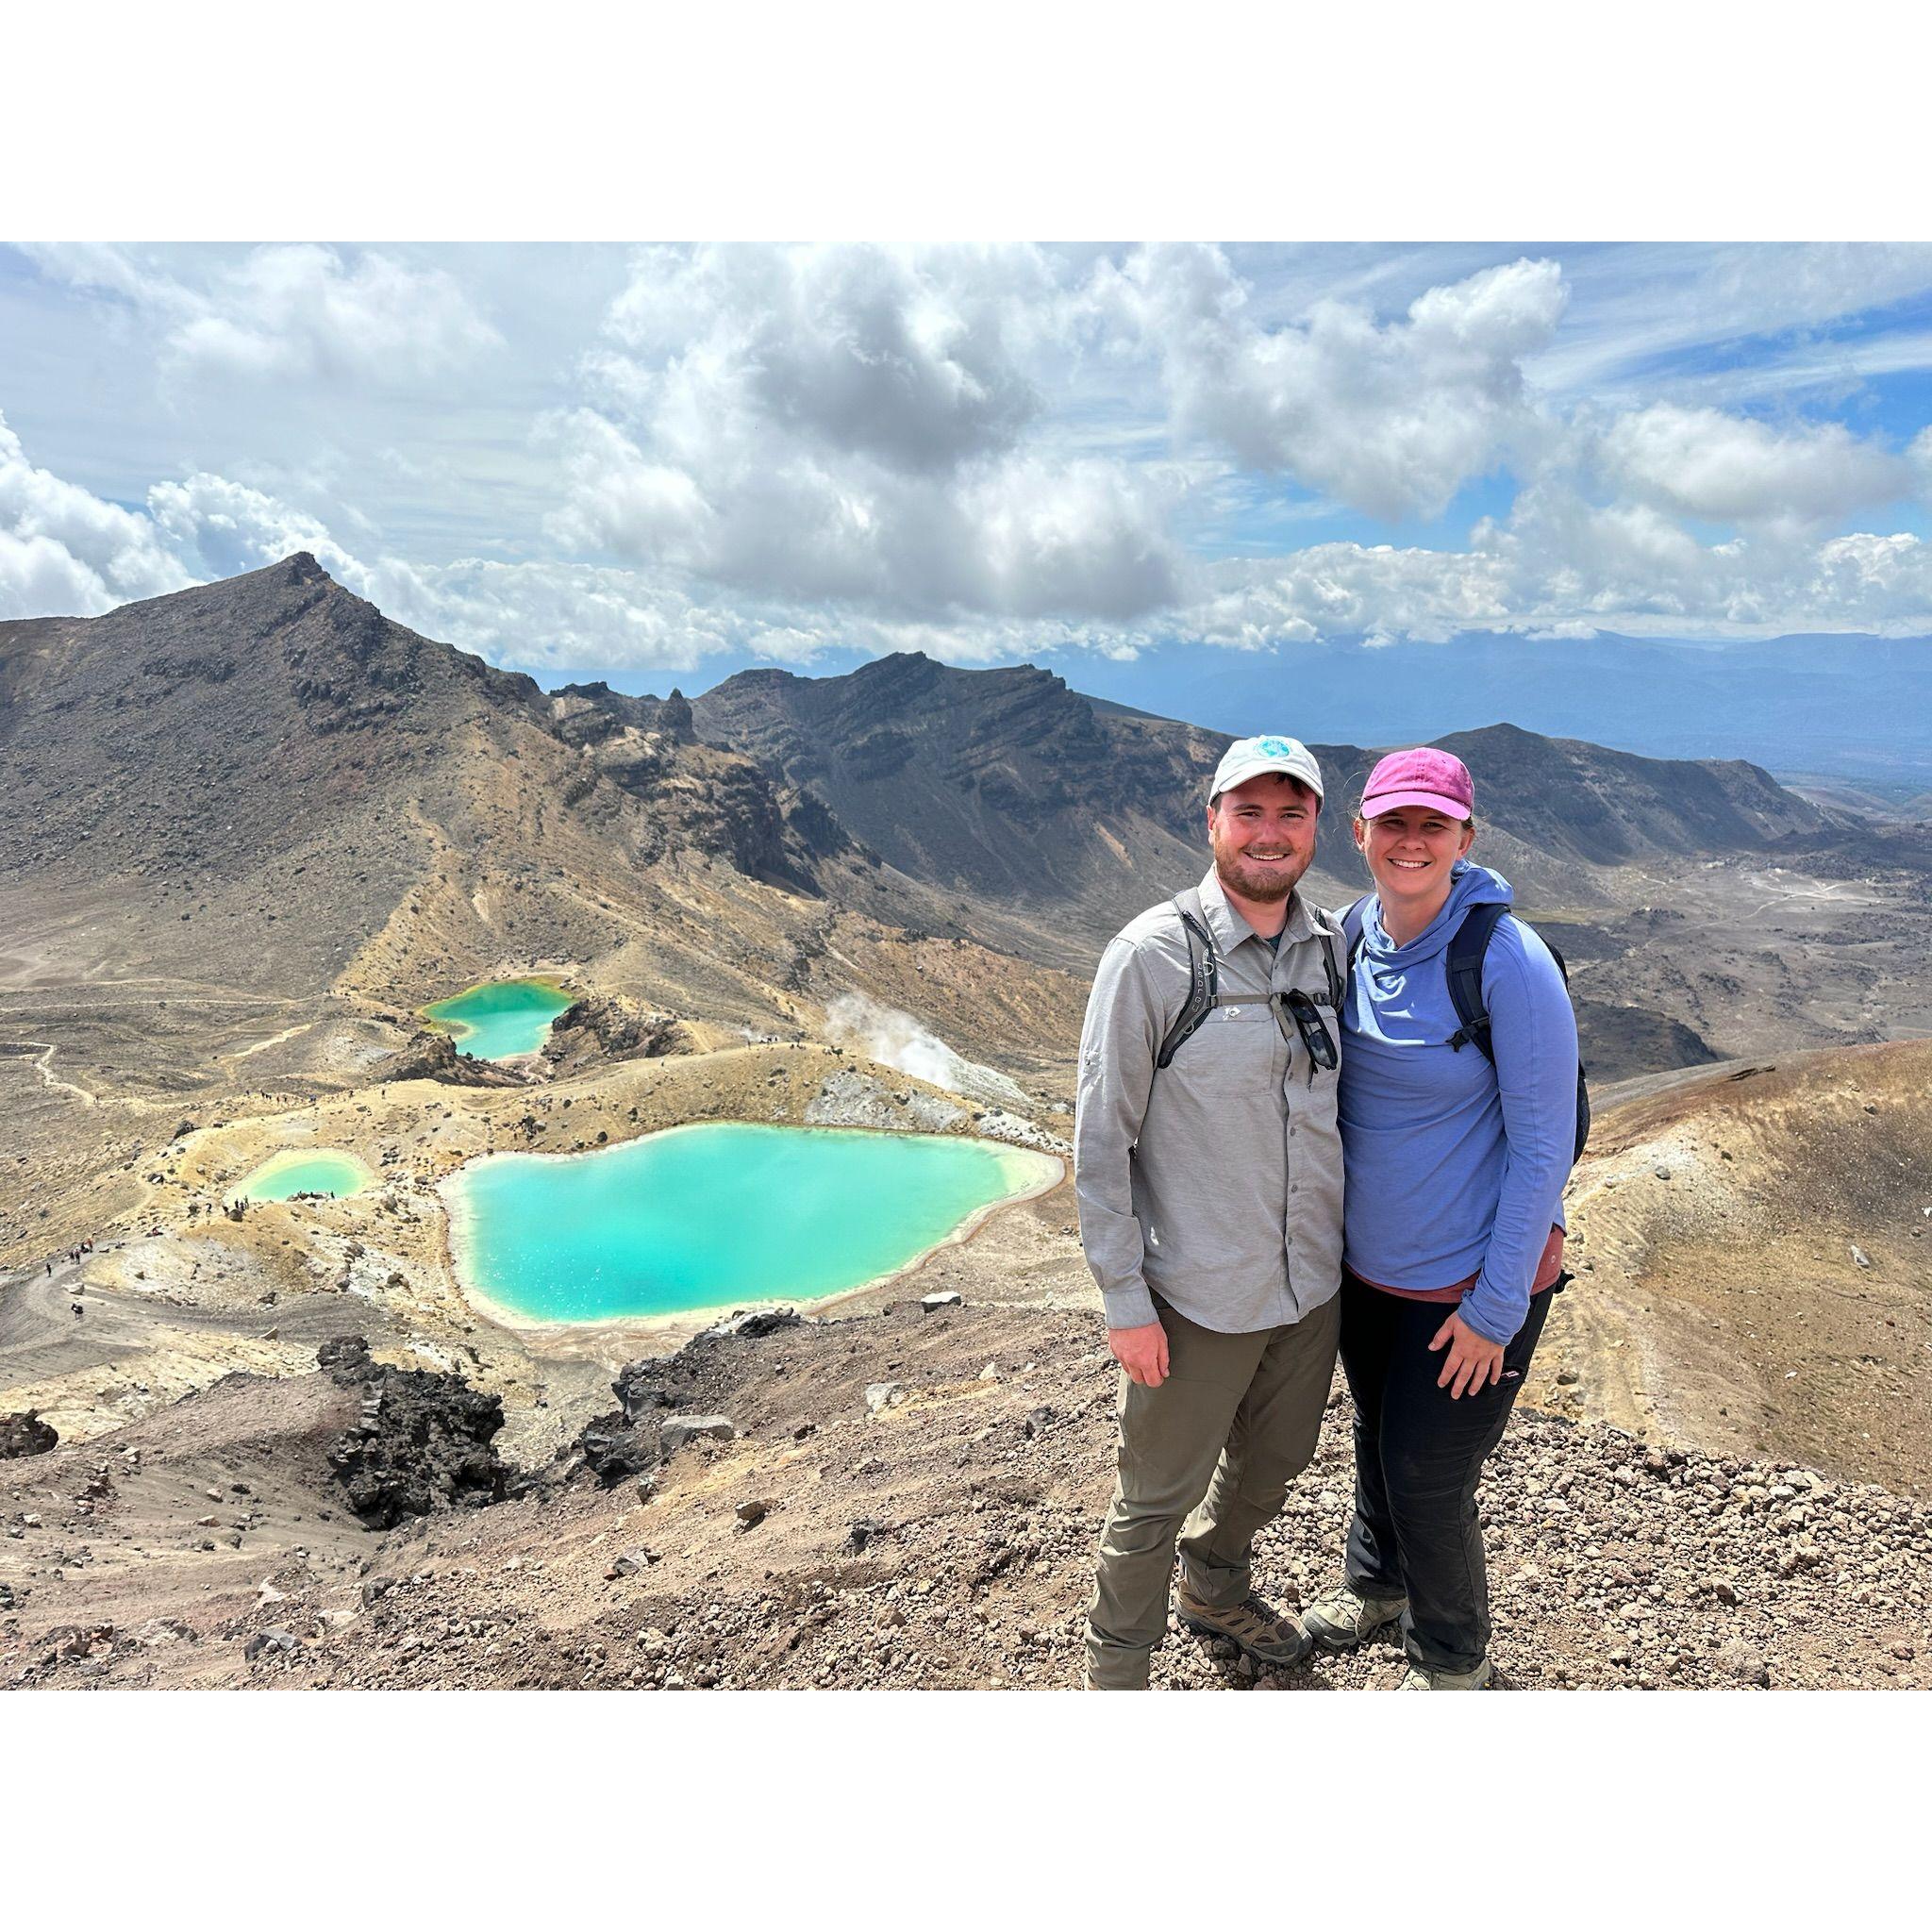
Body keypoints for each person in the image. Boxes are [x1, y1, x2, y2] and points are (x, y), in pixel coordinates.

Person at [1076, 735, 1348, 1690]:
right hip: (1194, 1294)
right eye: (1248, 812)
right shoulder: (1151, 956)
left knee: (1275, 1466)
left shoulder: (1329, 951)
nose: (1267, 834)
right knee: (1152, 1497)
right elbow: (1101, 1142)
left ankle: (1215, 1581)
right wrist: (1123, 1300)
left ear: (1316, 825)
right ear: (1212, 823)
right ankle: (1116, 1676)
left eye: (1289, 813)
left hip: (1307, 1285)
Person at [1304, 747, 1579, 1690]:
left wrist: (1494, 1307)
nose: (1409, 842)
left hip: (1468, 1284)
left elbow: (1542, 1150)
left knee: (1426, 1475)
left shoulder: (1504, 959)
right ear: (1359, 833)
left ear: (1466, 837)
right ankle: (1373, 1586)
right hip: (1368, 1272)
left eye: (1431, 824)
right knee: (1378, 1441)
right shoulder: (1348, 932)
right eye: (1392, 823)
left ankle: (1451, 1657)